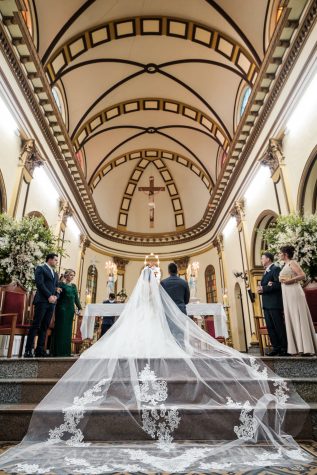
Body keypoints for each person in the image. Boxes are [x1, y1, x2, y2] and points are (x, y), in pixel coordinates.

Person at [0, 267, 312, 473]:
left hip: (141, 321)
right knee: (161, 340)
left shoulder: (149, 290)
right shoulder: (165, 287)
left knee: (135, 338)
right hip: (158, 322)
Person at [279, 245, 317, 355]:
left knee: (297, 316)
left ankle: (306, 348)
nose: (280, 255)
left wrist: (290, 280)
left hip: (294, 292)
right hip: (287, 294)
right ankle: (298, 347)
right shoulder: (285, 264)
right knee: (292, 317)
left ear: (285, 254)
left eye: (281, 253)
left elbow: (302, 275)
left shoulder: (292, 263)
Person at [24, 253, 59, 358]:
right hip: (42, 300)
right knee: (36, 325)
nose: (57, 262)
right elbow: (40, 284)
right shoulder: (40, 268)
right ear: (50, 259)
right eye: (56, 260)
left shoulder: (55, 273)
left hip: (52, 302)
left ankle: (39, 350)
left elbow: (57, 287)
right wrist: (49, 295)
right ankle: (28, 350)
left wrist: (56, 296)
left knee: (45, 326)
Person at [257, 252, 288, 356]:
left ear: (268, 259)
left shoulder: (275, 269)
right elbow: (269, 285)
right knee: (270, 327)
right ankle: (276, 347)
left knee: (278, 326)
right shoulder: (266, 271)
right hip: (266, 303)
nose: (261, 260)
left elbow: (279, 284)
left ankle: (284, 347)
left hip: (274, 303)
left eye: (262, 258)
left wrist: (264, 288)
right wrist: (262, 289)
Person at [51, 269, 82, 357]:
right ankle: (57, 351)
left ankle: (66, 352)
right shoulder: (61, 284)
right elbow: (57, 295)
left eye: (73, 275)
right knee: (61, 329)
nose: (72, 277)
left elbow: (76, 298)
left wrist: (79, 308)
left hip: (70, 310)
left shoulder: (74, 286)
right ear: (66, 275)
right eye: (70, 275)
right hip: (62, 309)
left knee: (68, 330)